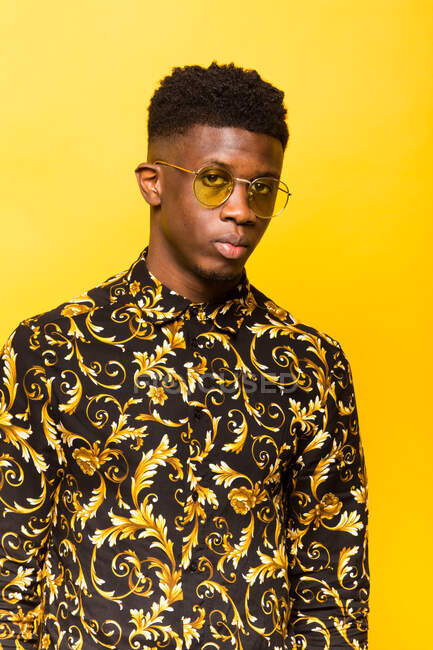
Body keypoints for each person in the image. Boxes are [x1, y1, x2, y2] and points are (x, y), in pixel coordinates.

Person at [0, 63, 369, 649]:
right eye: (214, 181)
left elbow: (333, 585)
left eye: (264, 188)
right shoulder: (50, 348)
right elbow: (10, 568)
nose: (242, 210)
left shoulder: (308, 362)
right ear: (153, 182)